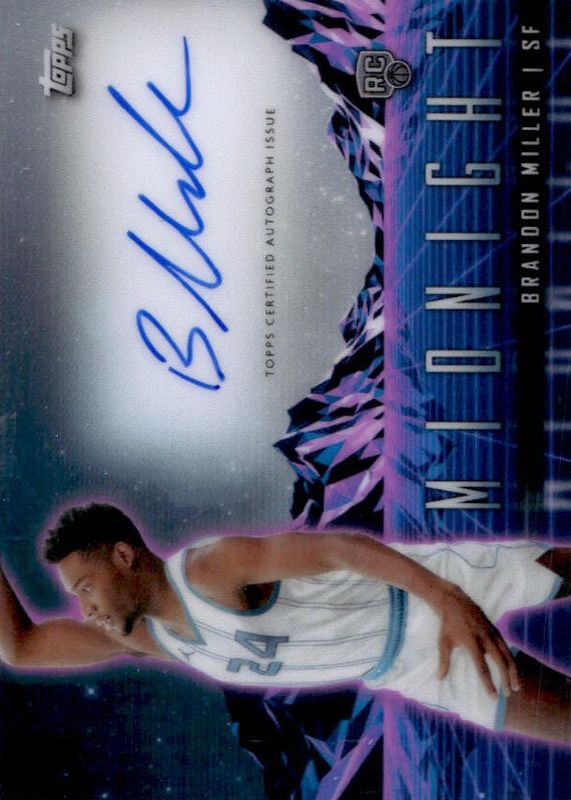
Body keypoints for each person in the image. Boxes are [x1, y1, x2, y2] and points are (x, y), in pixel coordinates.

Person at [0, 503, 569, 745]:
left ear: (124, 556)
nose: (85, 609)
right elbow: (21, 648)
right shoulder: (153, 638)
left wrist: (448, 599)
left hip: (424, 591)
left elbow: (341, 548)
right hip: (417, 668)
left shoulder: (208, 569)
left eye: (85, 587)